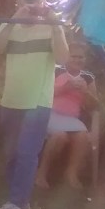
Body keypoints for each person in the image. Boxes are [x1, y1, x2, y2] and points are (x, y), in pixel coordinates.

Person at [0, 0, 69, 209]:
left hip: (37, 101)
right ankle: (15, 196)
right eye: (30, 1)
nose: (36, 5)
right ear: (19, 1)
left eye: (40, 0)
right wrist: (14, 20)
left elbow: (63, 58)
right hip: (11, 99)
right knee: (12, 153)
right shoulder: (9, 25)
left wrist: (56, 26)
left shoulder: (52, 27)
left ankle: (19, 202)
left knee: (27, 152)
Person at [35, 43, 98, 190]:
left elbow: (94, 105)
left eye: (81, 57)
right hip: (50, 114)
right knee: (59, 136)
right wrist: (66, 88)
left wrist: (85, 92)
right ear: (66, 57)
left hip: (72, 118)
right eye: (73, 56)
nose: (77, 60)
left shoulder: (88, 78)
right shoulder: (55, 71)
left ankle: (71, 173)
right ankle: (41, 173)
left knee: (83, 136)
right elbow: (42, 94)